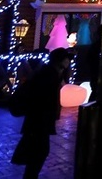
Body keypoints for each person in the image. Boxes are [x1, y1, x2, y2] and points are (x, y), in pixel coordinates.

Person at [10, 47, 71, 179]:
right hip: (39, 118)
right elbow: (43, 98)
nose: (69, 62)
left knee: (38, 150)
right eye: (67, 59)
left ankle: (30, 175)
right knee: (40, 150)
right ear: (60, 60)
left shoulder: (50, 72)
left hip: (39, 118)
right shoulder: (49, 74)